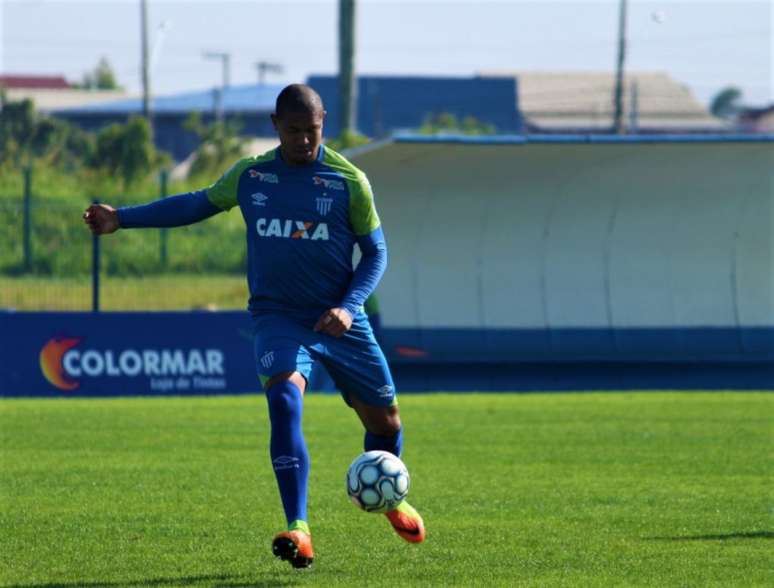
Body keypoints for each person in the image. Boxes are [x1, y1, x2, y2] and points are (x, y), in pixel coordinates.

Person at [82, 83, 425, 569]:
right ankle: (299, 529)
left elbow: (376, 253)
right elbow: (196, 203)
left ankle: (391, 498)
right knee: (284, 398)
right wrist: (123, 219)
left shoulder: (349, 181)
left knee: (385, 422)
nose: (305, 140)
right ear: (274, 125)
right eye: (294, 131)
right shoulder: (252, 176)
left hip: (339, 318)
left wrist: (349, 306)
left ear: (323, 122)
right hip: (279, 317)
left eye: (312, 130)